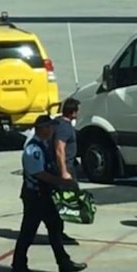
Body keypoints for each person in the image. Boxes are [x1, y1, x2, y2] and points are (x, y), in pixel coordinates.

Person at [11, 115, 87, 272]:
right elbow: (39, 173)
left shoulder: (44, 145)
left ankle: (64, 263)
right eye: (50, 127)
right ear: (43, 129)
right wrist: (61, 182)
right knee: (28, 232)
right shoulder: (33, 149)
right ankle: (18, 266)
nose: (53, 130)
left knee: (55, 229)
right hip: (35, 197)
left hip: (45, 196)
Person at [50, 98, 82, 245]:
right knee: (65, 201)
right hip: (65, 168)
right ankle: (57, 233)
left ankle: (58, 231)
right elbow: (59, 148)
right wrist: (64, 171)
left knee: (61, 202)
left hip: (66, 166)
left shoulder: (57, 123)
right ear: (73, 112)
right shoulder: (64, 127)